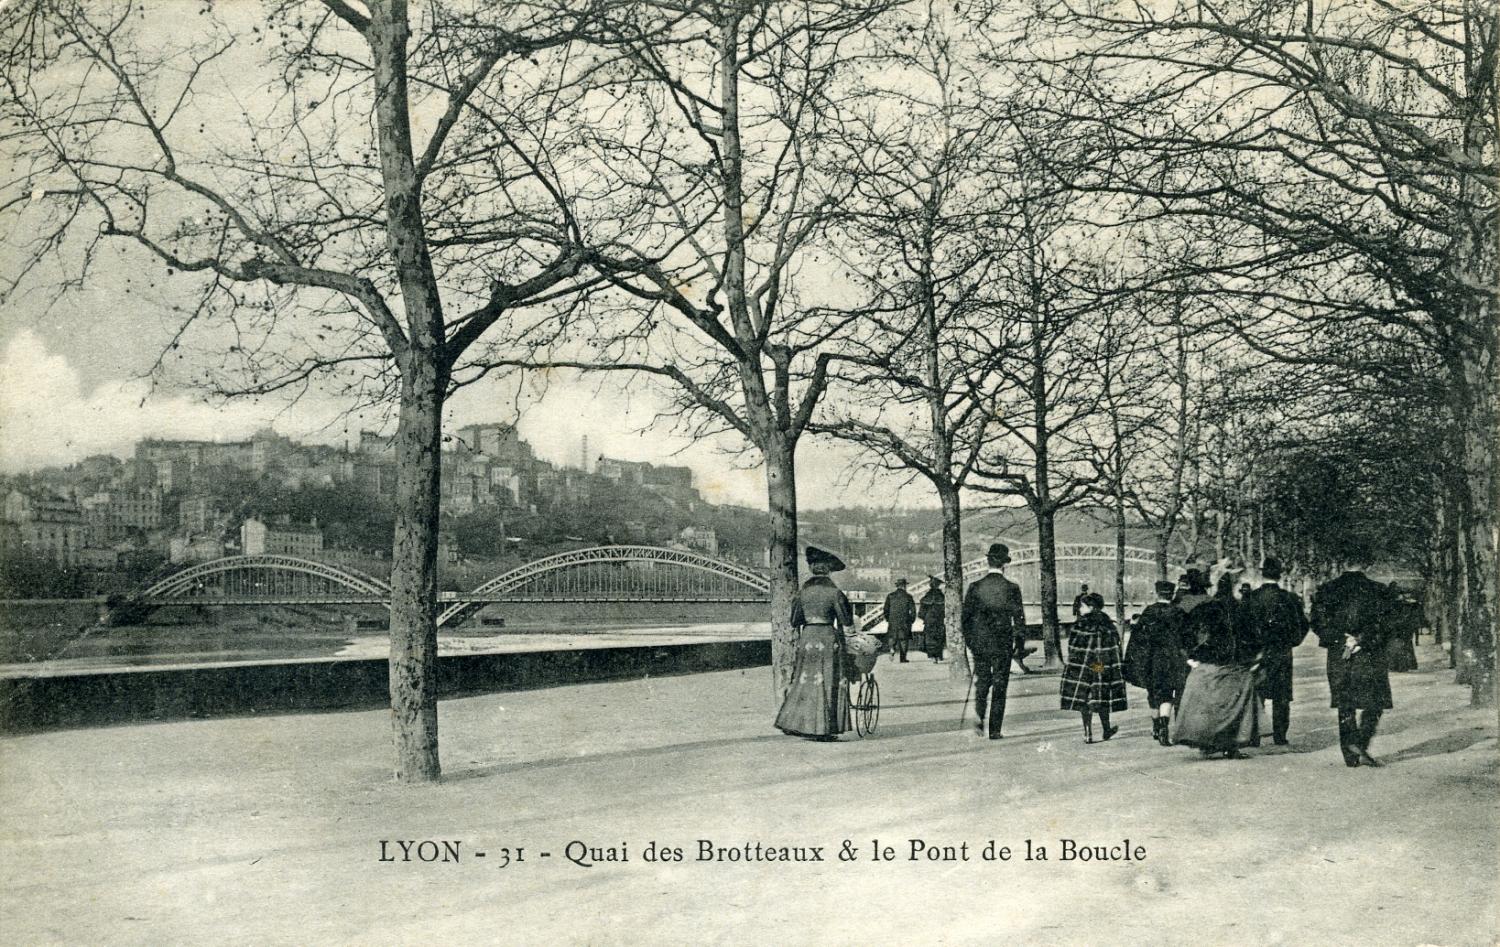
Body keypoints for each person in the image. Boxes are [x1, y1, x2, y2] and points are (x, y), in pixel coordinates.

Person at [1171, 572, 1263, 759]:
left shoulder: (1204, 608)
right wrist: (1253, 658)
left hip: (1209, 661)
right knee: (1234, 703)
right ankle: (1231, 745)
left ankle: (1206, 742)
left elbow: (1186, 633)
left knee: (1208, 703)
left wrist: (1191, 656)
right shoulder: (1240, 608)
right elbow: (1252, 635)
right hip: (1234, 663)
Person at [1311, 568, 1396, 767]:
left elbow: (1316, 622)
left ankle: (1350, 752)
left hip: (1339, 654)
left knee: (1344, 703)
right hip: (1369, 654)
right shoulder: (1378, 590)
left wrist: (1341, 639)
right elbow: (1388, 623)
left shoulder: (1327, 590)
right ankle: (1362, 741)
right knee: (1375, 701)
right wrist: (1361, 639)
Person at [775, 546, 854, 741]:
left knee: (804, 680)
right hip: (827, 637)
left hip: (808, 637)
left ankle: (797, 722)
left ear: (811, 569)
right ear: (828, 569)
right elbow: (846, 620)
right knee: (827, 681)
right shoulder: (835, 593)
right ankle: (824, 729)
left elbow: (794, 620)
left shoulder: (803, 593)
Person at [1240, 557, 1310, 746]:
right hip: (1281, 650)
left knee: (1257, 693)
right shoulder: (1289, 598)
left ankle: (1254, 736)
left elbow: (1242, 626)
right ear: (1279, 575)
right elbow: (1303, 625)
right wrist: (1292, 642)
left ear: (1262, 574)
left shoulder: (1251, 598)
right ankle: (1280, 735)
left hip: (1257, 652)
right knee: (1282, 695)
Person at [962, 543, 1026, 739]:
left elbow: (965, 619)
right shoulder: (1012, 588)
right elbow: (1019, 619)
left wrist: (971, 643)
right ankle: (995, 729)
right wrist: (1019, 645)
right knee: (1000, 684)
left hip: (980, 644)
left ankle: (980, 717)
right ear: (1004, 564)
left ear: (987, 561)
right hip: (1002, 644)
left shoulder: (974, 587)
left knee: (982, 681)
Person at [1125, 579, 1192, 746]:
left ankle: (1157, 727)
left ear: (1157, 593)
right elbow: (1187, 637)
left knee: (1156, 693)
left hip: (1154, 660)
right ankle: (1165, 728)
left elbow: (1139, 640)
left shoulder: (1149, 612)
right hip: (1176, 659)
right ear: (1172, 594)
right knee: (1170, 693)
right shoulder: (1179, 612)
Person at [1061, 592, 1127, 743]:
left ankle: (1087, 733)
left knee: (1085, 698)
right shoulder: (1108, 625)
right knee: (1100, 695)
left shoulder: (1080, 624)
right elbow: (1115, 649)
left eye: (1082, 606)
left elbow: (1072, 646)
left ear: (1091, 607)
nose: (1080, 608)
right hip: (1100, 666)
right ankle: (1106, 729)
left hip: (1083, 666)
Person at [882, 578, 917, 663]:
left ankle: (892, 649)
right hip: (905, 621)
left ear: (897, 586)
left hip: (893, 620)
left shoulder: (890, 596)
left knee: (892, 637)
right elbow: (913, 611)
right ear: (904, 586)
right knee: (903, 639)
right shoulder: (908, 596)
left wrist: (888, 619)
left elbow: (886, 609)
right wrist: (911, 620)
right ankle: (903, 658)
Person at [918, 576, 946, 662]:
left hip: (929, 620)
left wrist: (924, 617)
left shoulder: (927, 596)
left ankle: (933, 656)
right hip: (939, 620)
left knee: (930, 638)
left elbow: (921, 612)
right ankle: (939, 655)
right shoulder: (941, 596)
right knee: (939, 637)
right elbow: (945, 609)